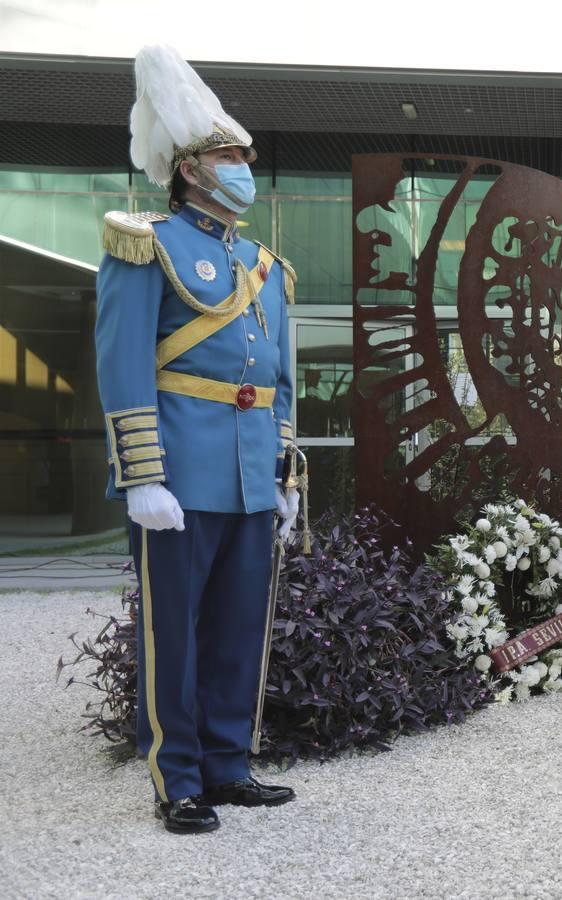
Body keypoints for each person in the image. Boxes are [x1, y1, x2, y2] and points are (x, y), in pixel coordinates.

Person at [95, 45, 298, 834]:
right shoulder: (144, 243)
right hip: (178, 473)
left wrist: (285, 476)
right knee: (172, 632)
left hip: (249, 474)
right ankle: (176, 778)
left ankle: (228, 764)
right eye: (228, 154)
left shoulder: (265, 266)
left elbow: (278, 382)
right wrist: (143, 476)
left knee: (241, 628)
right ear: (189, 168)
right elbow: (122, 364)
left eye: (245, 154)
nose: (243, 165)